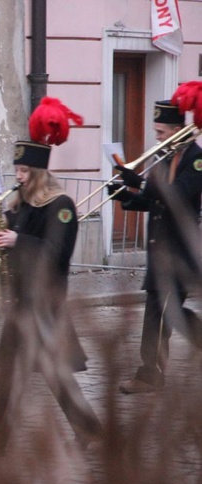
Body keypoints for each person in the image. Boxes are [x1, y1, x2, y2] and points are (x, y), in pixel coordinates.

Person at [0, 103, 101, 453]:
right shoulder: (22, 205)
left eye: (23, 171)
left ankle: (88, 427)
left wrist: (19, 240)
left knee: (52, 373)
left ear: (38, 172)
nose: (17, 176)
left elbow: (57, 253)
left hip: (45, 300)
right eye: (17, 169)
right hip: (22, 298)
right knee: (12, 373)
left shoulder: (60, 204)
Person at [110, 100, 202, 394]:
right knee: (165, 312)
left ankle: (149, 374)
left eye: (162, 131)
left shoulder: (196, 160)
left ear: (178, 130)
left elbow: (177, 195)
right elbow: (156, 201)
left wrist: (141, 182)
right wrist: (126, 196)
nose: (158, 137)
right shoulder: (165, 157)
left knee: (157, 315)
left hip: (179, 252)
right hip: (159, 249)